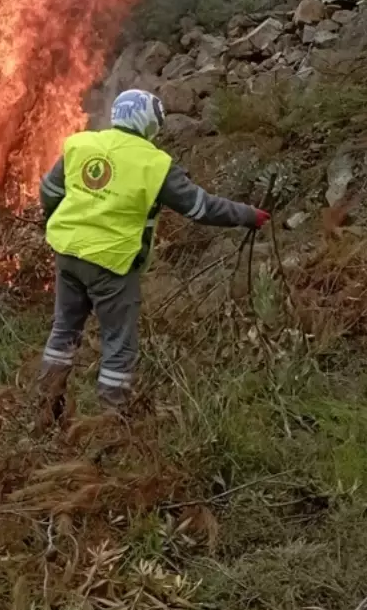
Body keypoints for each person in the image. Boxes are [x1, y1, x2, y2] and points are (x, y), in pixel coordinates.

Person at [37, 88, 269, 413]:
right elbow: (200, 208)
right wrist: (248, 215)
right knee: (118, 344)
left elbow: (48, 191)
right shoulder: (155, 164)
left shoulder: (82, 144)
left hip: (68, 253)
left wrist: (59, 223)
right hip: (113, 263)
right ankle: (110, 420)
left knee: (63, 330)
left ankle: (46, 405)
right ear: (150, 124)